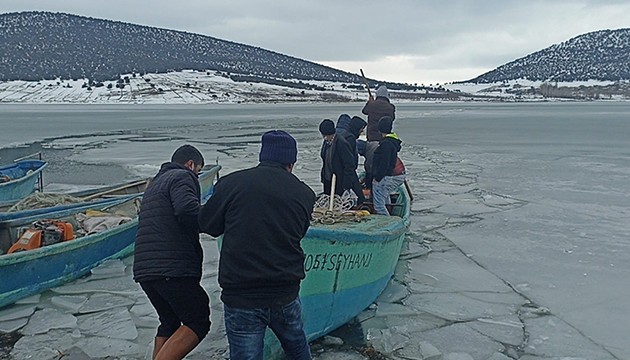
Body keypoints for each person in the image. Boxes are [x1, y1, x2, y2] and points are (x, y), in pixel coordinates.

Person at [198, 130, 316, 360]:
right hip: (284, 292)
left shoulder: (232, 184)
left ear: (263, 156)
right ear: (291, 162)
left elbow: (208, 224)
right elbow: (299, 232)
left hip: (242, 295)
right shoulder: (304, 194)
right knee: (298, 349)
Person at [133, 144, 210, 360]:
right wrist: (213, 220)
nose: (197, 175)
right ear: (190, 164)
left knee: (169, 321)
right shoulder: (183, 177)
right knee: (198, 319)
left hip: (145, 269)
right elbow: (187, 209)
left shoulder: (155, 184)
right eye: (198, 170)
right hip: (172, 268)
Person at [319, 119, 364, 204]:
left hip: (340, 180)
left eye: (326, 135)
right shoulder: (326, 143)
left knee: (340, 203)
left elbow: (349, 164)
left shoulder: (341, 143)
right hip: (328, 179)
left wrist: (347, 184)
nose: (324, 137)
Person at [362, 85, 396, 190]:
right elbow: (392, 118)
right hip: (385, 140)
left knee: (370, 164)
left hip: (371, 139)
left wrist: (370, 102)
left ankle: (369, 186)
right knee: (383, 164)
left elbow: (364, 111)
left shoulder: (372, 105)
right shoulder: (391, 107)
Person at [371, 117, 405, 215]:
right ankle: (389, 213)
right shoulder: (392, 142)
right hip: (388, 176)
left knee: (378, 205)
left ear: (379, 129)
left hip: (384, 177)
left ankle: (385, 223)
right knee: (384, 198)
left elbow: (384, 163)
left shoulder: (386, 144)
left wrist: (378, 177)